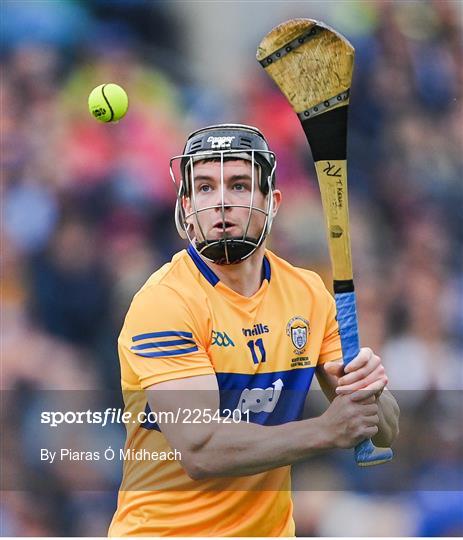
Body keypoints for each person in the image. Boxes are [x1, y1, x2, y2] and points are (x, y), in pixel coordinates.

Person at [108, 124, 399, 537]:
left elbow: (383, 432)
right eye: (205, 188)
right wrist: (324, 430)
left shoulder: (308, 294)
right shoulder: (164, 303)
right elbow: (201, 451)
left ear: (272, 201)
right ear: (186, 204)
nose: (222, 202)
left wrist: (370, 393)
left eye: (240, 185)